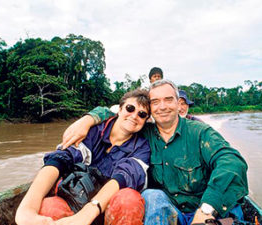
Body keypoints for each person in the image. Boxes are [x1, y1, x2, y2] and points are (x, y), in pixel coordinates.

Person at [61, 79, 248, 225]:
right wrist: (87, 119)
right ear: (150, 110)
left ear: (179, 104)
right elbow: (117, 112)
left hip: (206, 210)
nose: (163, 106)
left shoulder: (199, 132)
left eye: (169, 100)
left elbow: (232, 161)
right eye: (155, 102)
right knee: (151, 195)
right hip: (169, 211)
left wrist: (206, 211)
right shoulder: (144, 131)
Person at [15, 89, 151, 225]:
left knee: (128, 199)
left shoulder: (142, 147)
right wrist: (27, 207)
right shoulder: (92, 130)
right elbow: (62, 158)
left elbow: (125, 176)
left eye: (142, 114)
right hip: (77, 199)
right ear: (119, 109)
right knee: (49, 208)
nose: (134, 116)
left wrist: (89, 212)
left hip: (110, 208)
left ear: (145, 120)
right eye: (130, 108)